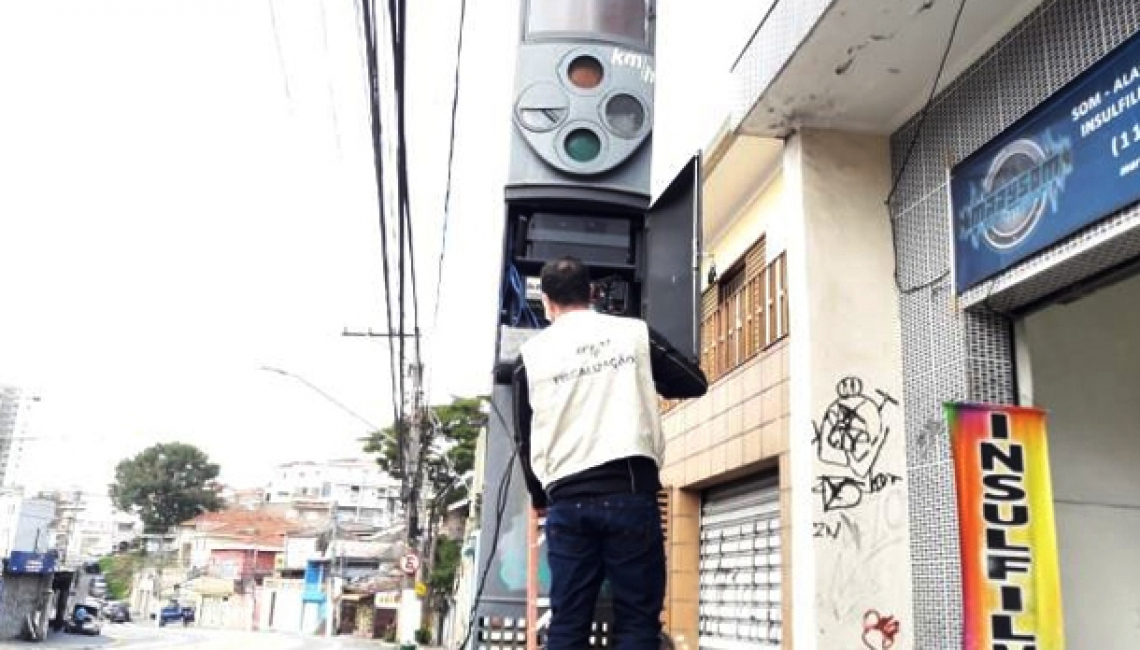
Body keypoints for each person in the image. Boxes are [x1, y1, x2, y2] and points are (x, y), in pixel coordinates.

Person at [506, 256, 707, 650]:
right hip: (630, 493)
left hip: (567, 502)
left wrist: (539, 497)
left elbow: (525, 441)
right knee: (636, 621)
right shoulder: (633, 335)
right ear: (593, 293)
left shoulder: (528, 360)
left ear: (545, 302)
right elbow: (693, 382)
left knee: (568, 623)